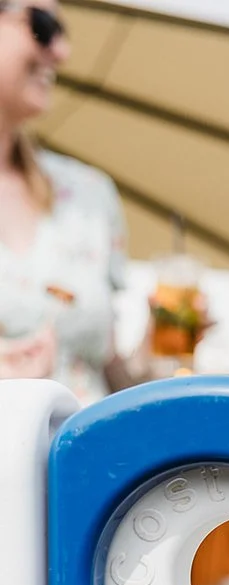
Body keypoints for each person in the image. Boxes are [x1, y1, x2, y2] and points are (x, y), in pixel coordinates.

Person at [0, 2, 161, 401]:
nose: (61, 52)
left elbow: (111, 378)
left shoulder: (89, 194)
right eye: (42, 26)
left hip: (86, 443)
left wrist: (153, 346)